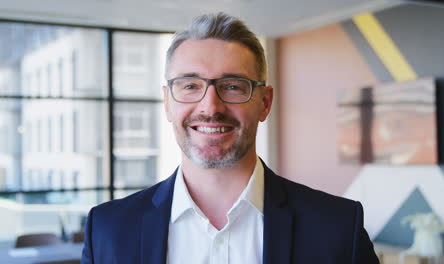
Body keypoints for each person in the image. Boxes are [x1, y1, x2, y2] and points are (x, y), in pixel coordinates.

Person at [81, 12, 380, 264]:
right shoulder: (108, 231)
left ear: (264, 103)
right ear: (168, 103)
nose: (210, 107)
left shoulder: (338, 228)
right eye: (190, 86)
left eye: (233, 86)